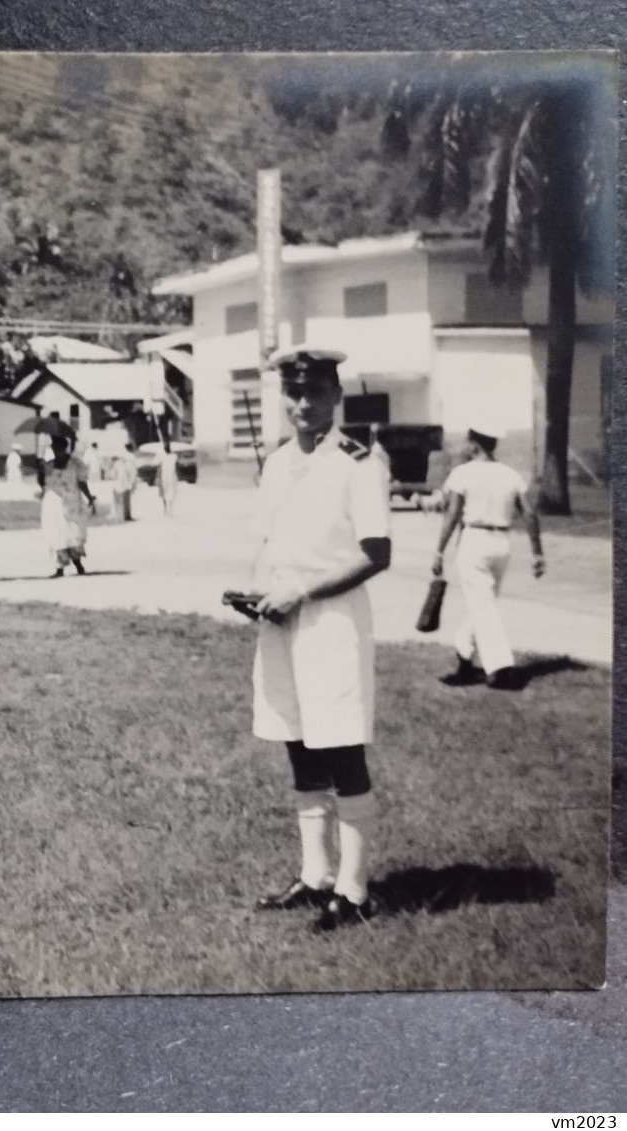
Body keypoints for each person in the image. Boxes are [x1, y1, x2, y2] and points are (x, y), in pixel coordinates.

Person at [246, 347, 391, 933]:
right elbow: (272, 542)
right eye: (293, 394)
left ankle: (355, 891)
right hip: (280, 620)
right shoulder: (278, 463)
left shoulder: (360, 462)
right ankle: (315, 877)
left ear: (336, 397)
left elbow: (376, 555)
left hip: (332, 623)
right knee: (297, 745)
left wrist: (302, 591)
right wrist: (257, 592)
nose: (302, 405)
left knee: (342, 750)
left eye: (314, 394)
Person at [431, 422, 544, 690]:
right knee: (483, 604)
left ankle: (501, 668)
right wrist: (537, 553)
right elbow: (529, 513)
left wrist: (438, 550)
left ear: (475, 443)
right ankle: (464, 658)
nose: (465, 446)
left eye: (468, 441)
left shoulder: (462, 473)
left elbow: (452, 514)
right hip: (501, 543)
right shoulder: (510, 474)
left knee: (483, 606)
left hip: (474, 541)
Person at [37, 435, 97, 578]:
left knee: (73, 532)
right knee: (57, 532)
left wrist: (89, 498)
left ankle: (78, 563)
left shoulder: (76, 463)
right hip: (54, 502)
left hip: (71, 500)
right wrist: (40, 471)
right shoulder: (48, 464)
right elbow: (43, 483)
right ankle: (59, 567)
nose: (57, 451)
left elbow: (82, 482)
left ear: (65, 448)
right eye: (54, 448)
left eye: (60, 448)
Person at [112, 442, 137, 522]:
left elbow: (113, 473)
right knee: (126, 499)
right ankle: (127, 515)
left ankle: (121, 516)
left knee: (120, 500)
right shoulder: (131, 457)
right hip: (126, 479)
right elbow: (131, 470)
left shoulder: (121, 459)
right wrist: (132, 480)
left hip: (119, 481)